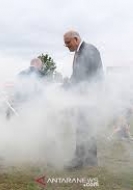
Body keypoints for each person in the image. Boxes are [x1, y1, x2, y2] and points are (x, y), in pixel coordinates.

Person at [63, 30, 103, 169]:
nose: (67, 46)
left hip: (89, 96)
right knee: (87, 127)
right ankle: (91, 160)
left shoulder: (89, 50)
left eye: (68, 43)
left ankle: (78, 161)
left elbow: (83, 76)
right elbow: (76, 75)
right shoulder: (79, 52)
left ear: (75, 39)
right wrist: (66, 85)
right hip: (85, 96)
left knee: (82, 127)